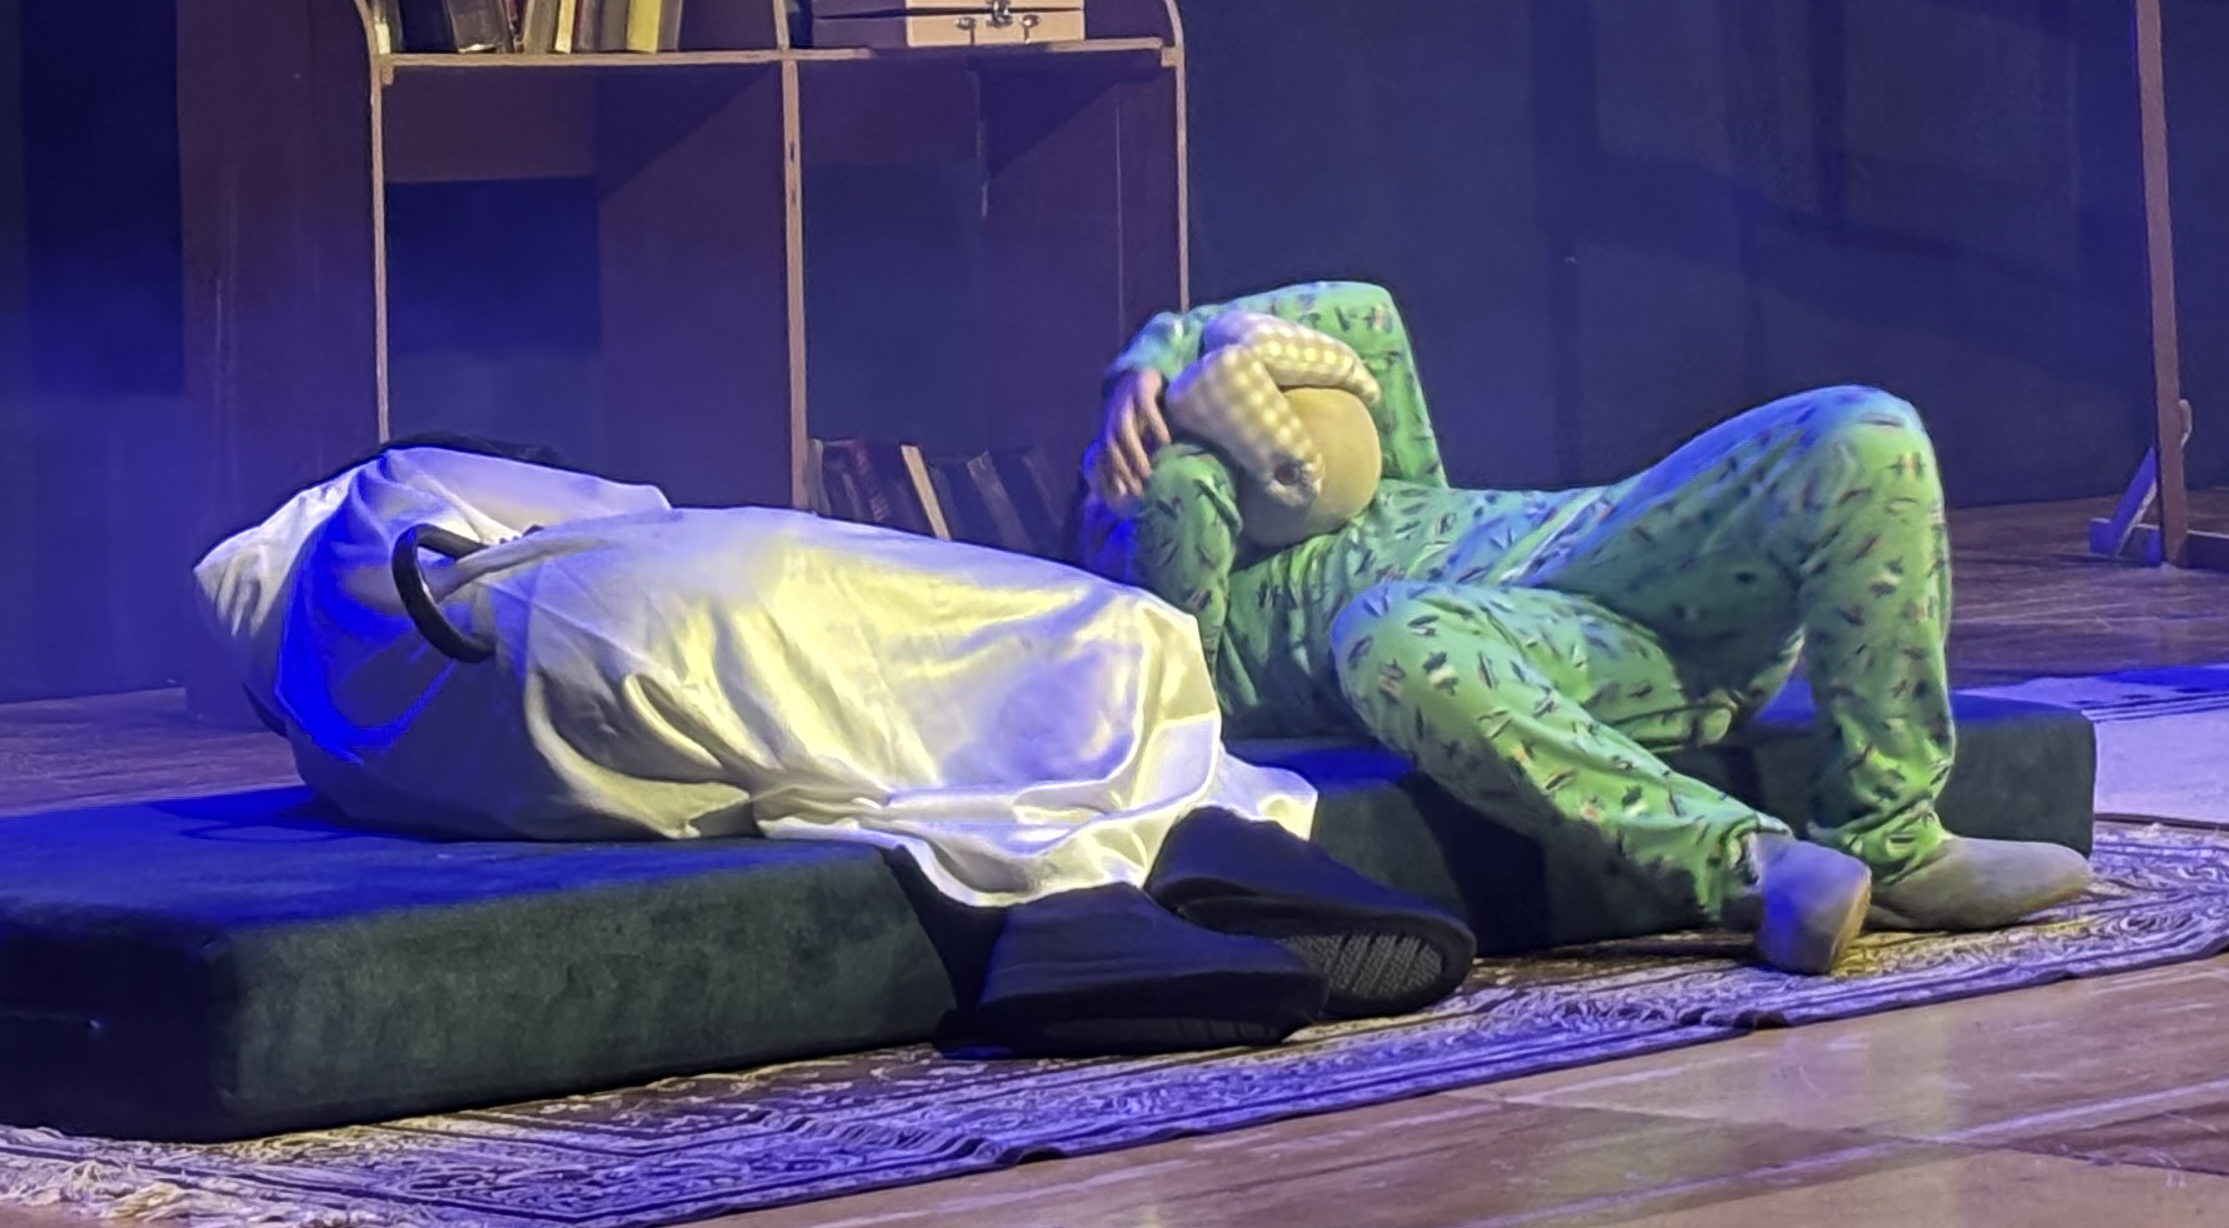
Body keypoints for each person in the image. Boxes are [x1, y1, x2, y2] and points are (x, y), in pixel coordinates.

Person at [196, 439, 1478, 1051]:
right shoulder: (384, 494)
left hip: (571, 743)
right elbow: (642, 506)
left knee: (837, 754)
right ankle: (1127, 866)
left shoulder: (337, 740)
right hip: (616, 606)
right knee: (1079, 629)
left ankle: (1135, 881)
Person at [1085, 281, 2091, 973]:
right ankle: (1753, 868)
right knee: (1386, 631)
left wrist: (1157, 349)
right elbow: (1176, 556)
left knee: (1865, 429)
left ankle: (1893, 839)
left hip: (1610, 544)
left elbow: (1360, 313)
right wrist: (1175, 455)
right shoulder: (1201, 601)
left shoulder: (1395, 477)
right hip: (1530, 648)